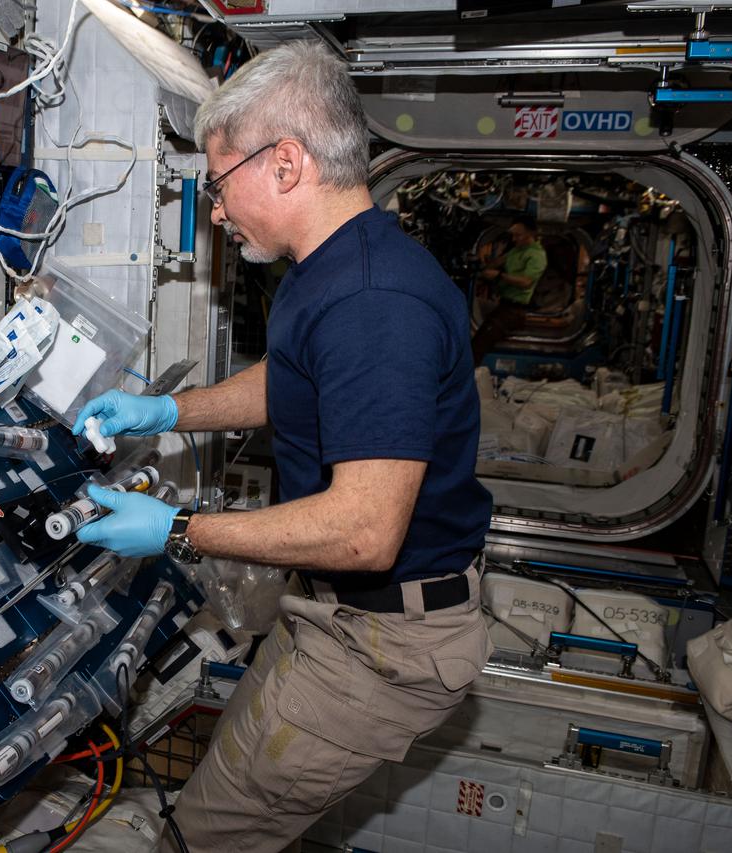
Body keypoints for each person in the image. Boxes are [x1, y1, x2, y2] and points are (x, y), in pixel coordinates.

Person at [70, 41, 494, 853]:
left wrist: (177, 530)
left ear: (287, 163)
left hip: (383, 644)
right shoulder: (331, 266)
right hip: (335, 613)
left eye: (218, 183)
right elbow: (294, 380)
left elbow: (364, 532)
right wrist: (167, 411)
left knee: (205, 838)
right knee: (231, 791)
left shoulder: (374, 300)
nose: (215, 211)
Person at [470, 216, 548, 364]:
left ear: (531, 234)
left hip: (514, 311)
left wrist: (499, 275)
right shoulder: (516, 250)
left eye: (518, 235)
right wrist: (484, 265)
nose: (514, 239)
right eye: (512, 235)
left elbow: (526, 282)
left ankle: (467, 371)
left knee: (479, 343)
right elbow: (496, 263)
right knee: (471, 305)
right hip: (503, 305)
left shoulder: (537, 255)